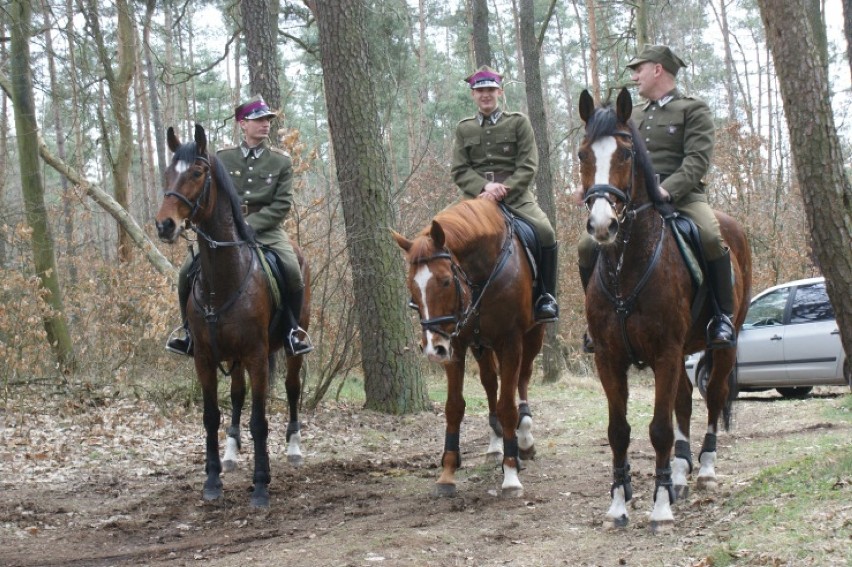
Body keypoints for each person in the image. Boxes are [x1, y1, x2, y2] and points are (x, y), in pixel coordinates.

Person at [577, 44, 736, 352]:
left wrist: (668, 188)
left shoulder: (693, 108)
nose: (635, 77)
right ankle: (595, 321)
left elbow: (696, 161)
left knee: (712, 237)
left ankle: (722, 317)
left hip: (682, 198)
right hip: (635, 202)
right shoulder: (631, 114)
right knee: (587, 244)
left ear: (658, 70)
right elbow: (611, 158)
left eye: (639, 70)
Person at [166, 95, 313, 357]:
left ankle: (292, 332)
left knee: (292, 268)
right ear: (242, 124)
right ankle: (188, 332)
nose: (265, 124)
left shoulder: (281, 161)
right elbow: (207, 194)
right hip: (225, 231)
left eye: (267, 119)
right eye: (258, 120)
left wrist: (248, 225)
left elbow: (281, 205)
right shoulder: (222, 157)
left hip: (267, 230)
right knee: (186, 270)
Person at [451, 65, 559, 323]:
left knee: (545, 232)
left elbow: (528, 165)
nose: (485, 95)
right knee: (439, 233)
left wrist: (504, 188)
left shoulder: (518, 123)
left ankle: (546, 297)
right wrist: (484, 188)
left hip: (515, 198)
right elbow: (459, 169)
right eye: (480, 91)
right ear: (473, 95)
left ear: (499, 91)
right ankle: (447, 302)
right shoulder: (464, 129)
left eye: (490, 90)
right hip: (475, 201)